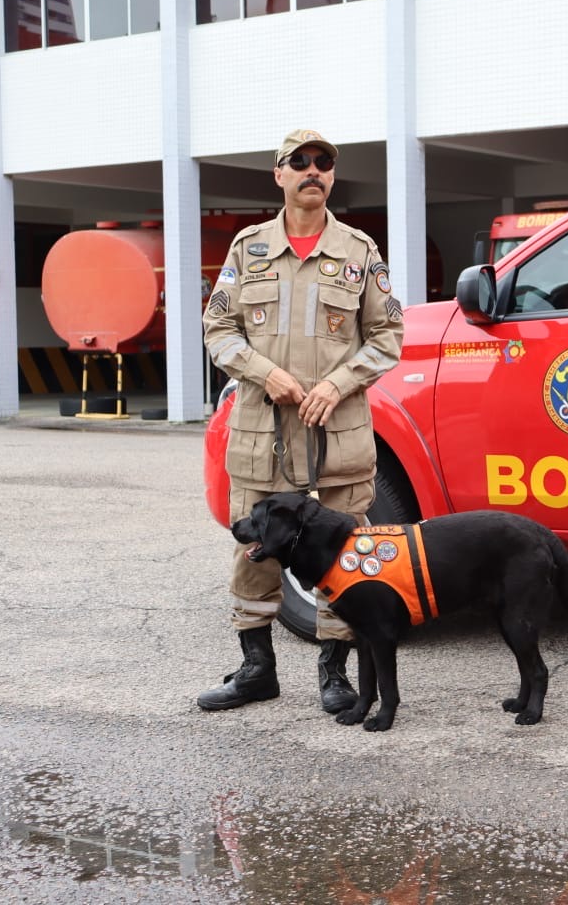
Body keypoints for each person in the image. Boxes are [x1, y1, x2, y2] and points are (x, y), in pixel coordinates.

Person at [198, 128, 405, 713]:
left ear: (331, 176)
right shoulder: (249, 249)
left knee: (344, 549)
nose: (313, 170)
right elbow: (219, 328)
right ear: (280, 174)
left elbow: (388, 335)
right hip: (263, 427)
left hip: (337, 426)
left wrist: (339, 383)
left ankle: (334, 672)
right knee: (253, 545)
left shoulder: (359, 251)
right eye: (300, 161)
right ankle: (256, 670)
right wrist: (265, 374)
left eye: (323, 163)